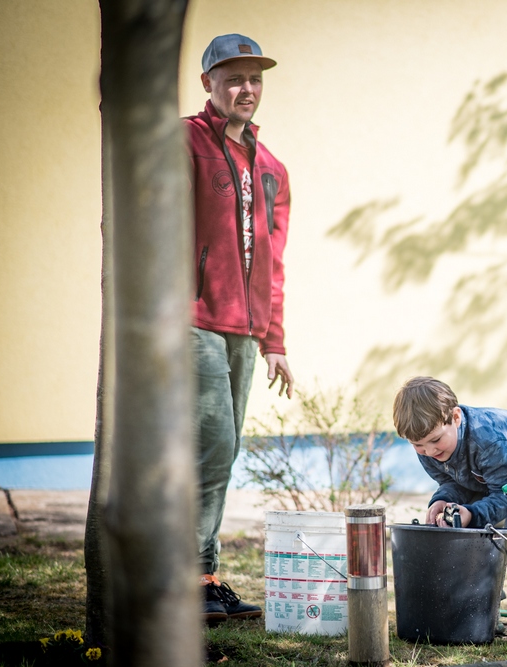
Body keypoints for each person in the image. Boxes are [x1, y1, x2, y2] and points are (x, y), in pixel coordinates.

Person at [185, 34, 294, 623]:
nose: (246, 89)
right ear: (209, 83)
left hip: (246, 332)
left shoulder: (272, 168)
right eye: (233, 79)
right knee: (213, 446)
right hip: (192, 319)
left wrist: (274, 340)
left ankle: (203, 576)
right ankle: (188, 577)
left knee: (220, 455)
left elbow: (274, 260)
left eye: (254, 78)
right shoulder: (184, 142)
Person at [393, 377, 507, 639]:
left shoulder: (486, 438)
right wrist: (442, 500)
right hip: (502, 481)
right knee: (467, 529)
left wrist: (474, 513)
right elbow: (452, 481)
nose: (429, 451)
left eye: (435, 440)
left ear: (455, 418)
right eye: (418, 445)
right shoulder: (428, 444)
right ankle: (485, 610)